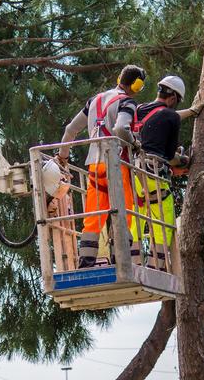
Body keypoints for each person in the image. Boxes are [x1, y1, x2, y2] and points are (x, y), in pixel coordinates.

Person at [57, 65, 144, 268]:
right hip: (116, 163)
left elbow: (70, 130)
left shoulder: (94, 100)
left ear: (118, 79)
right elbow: (121, 129)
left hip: (94, 166)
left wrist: (63, 157)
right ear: (136, 85)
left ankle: (86, 261)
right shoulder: (127, 102)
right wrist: (135, 144)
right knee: (124, 210)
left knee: (94, 215)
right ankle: (120, 259)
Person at [128, 75, 204, 270]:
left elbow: (159, 116)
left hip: (135, 171)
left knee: (138, 215)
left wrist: (191, 112)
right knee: (164, 218)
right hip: (154, 173)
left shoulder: (139, 110)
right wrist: (184, 160)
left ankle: (134, 261)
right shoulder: (170, 116)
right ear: (173, 99)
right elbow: (171, 155)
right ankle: (157, 265)